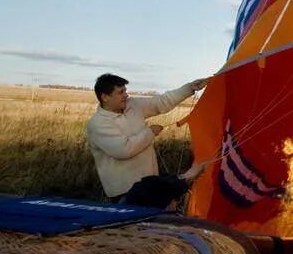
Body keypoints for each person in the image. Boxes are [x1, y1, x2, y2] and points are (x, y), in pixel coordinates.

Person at [85, 73, 208, 201]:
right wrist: (150, 132)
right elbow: (123, 150)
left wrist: (189, 88)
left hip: (150, 184)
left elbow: (161, 102)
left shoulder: (133, 105)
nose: (126, 95)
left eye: (125, 91)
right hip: (126, 192)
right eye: (120, 92)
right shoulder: (98, 124)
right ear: (105, 97)